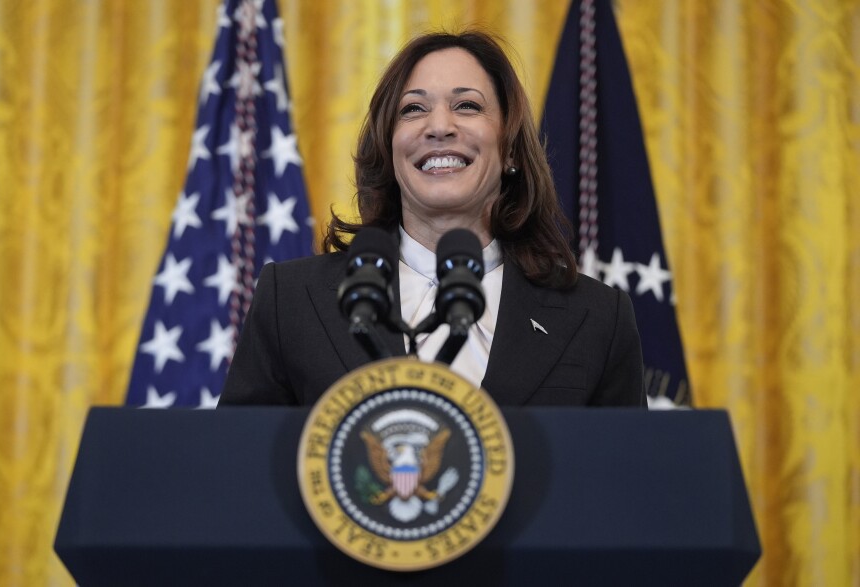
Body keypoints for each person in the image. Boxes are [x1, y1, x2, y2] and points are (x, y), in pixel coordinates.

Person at [219, 30, 647, 407]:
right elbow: (237, 474)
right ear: (389, 149)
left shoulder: (597, 318)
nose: (439, 126)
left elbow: (623, 486)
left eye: (466, 105)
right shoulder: (290, 301)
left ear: (511, 149)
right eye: (413, 110)